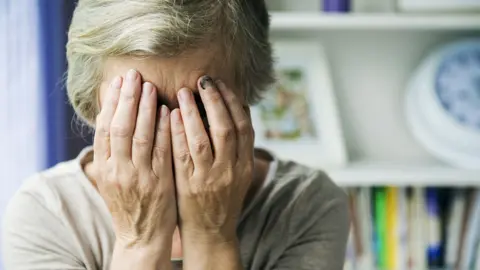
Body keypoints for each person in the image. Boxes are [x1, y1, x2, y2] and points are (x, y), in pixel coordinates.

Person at [1, 0, 349, 269]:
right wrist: (140, 242)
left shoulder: (306, 206)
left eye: (198, 108)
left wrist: (212, 237)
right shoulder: (45, 215)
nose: (173, 139)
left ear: (246, 94)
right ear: (92, 104)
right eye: (139, 109)